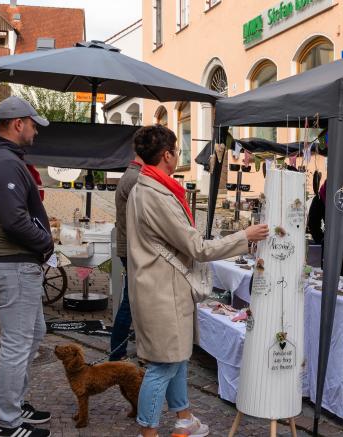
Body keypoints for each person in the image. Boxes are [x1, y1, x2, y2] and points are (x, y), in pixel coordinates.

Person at [127, 125, 268, 437]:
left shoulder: (151, 186)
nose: (179, 156)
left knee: (175, 358)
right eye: (177, 150)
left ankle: (184, 419)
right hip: (161, 290)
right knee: (161, 365)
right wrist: (244, 237)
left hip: (164, 286)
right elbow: (198, 248)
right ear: (167, 155)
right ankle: (147, 433)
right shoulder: (154, 194)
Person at [0, 96, 56, 437]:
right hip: (14, 263)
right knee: (17, 343)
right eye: (33, 123)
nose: (36, 130)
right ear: (18, 123)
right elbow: (13, 220)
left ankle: (16, 406)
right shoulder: (4, 162)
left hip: (15, 262)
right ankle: (7, 424)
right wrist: (45, 242)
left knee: (33, 334)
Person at [110, 154, 143, 362]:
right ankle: (117, 353)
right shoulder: (135, 179)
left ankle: (119, 351)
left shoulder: (133, 175)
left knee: (132, 302)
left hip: (129, 247)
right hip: (132, 249)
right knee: (130, 303)